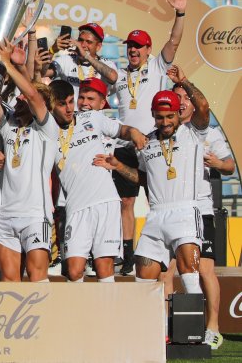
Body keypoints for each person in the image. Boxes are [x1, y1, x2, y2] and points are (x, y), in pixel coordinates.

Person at [97, 68, 209, 307]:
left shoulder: (193, 133)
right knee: (143, 279)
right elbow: (143, 179)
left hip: (185, 213)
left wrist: (184, 82)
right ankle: (151, 336)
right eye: (160, 117)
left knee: (189, 273)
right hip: (156, 216)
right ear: (153, 115)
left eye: (170, 116)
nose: (165, 122)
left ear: (178, 114)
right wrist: (117, 166)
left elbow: (204, 107)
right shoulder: (146, 144)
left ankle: (195, 337)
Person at [110, 0, 187, 274]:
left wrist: (180, 12)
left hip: (154, 142)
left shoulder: (156, 67)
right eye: (130, 45)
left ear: (148, 50)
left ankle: (163, 253)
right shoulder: (119, 75)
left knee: (156, 198)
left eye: (139, 46)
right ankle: (127, 255)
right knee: (125, 201)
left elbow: (175, 40)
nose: (133, 50)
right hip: (127, 144)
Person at [158, 81, 235, 349]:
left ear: (191, 102)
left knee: (204, 269)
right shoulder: (165, 134)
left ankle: (212, 327)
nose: (180, 102)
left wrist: (216, 164)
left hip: (200, 210)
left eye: (184, 97)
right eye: (176, 97)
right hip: (172, 213)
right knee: (166, 271)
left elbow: (229, 166)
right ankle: (168, 326)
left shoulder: (207, 132)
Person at [48, 79, 146, 283]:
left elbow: (122, 131)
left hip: (105, 201)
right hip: (76, 207)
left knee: (104, 268)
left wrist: (134, 132)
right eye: (62, 104)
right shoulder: (47, 131)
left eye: (70, 102)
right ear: (51, 106)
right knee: (74, 271)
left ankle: (108, 314)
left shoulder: (91, 118)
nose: (69, 109)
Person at [0, 42, 59, 282]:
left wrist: (10, 63)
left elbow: (32, 94)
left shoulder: (47, 130)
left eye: (22, 101)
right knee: (9, 282)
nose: (17, 102)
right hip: (6, 215)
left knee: (37, 279)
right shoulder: (9, 128)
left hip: (35, 215)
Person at [48, 23, 118, 98]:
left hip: (94, 110)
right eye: (80, 40)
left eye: (89, 42)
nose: (83, 45)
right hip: (70, 109)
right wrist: (52, 50)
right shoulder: (67, 59)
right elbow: (44, 72)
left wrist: (86, 55)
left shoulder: (106, 63)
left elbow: (113, 77)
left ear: (98, 47)